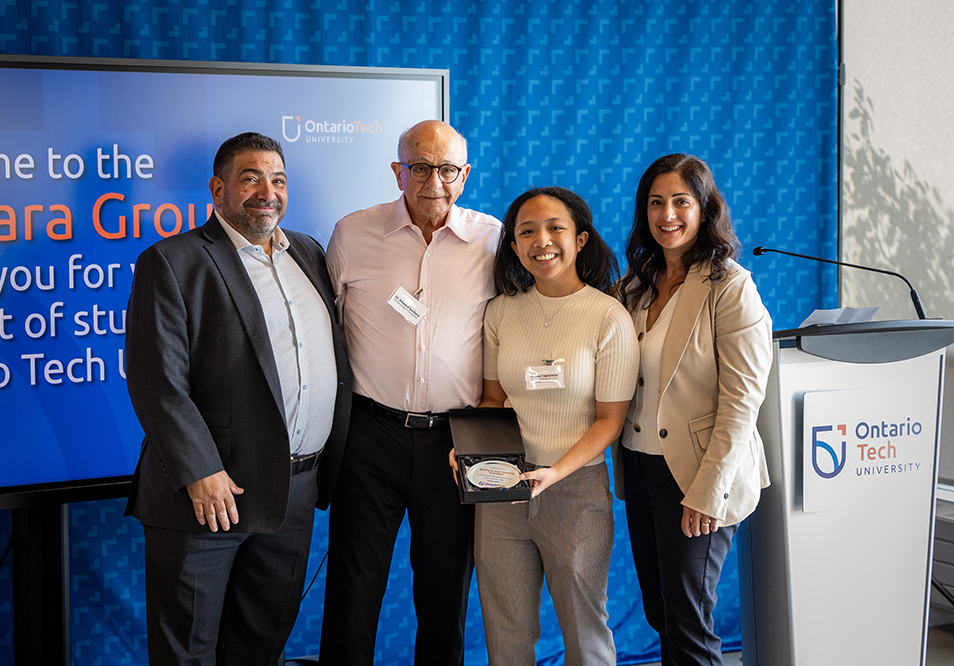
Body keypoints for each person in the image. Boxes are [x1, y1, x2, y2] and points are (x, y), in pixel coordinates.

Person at [124, 132, 351, 665]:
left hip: (294, 491)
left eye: (278, 179)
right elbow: (156, 381)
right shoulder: (173, 260)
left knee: (260, 645)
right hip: (209, 495)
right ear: (217, 187)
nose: (266, 191)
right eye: (251, 178)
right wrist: (199, 471)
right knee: (189, 652)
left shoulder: (311, 253)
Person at [318, 119, 501, 666]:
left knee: (446, 591)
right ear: (398, 171)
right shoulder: (353, 233)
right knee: (353, 585)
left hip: (457, 438)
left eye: (446, 168)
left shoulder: (494, 240)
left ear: (464, 175)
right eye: (419, 167)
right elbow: (324, 325)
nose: (433, 181)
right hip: (369, 436)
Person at [464, 186, 639, 664]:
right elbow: (495, 398)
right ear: (515, 246)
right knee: (506, 629)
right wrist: (469, 450)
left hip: (576, 489)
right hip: (502, 488)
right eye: (527, 231)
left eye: (555, 228)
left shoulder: (608, 316)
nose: (542, 240)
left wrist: (556, 473)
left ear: (580, 239)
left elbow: (610, 422)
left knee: (585, 630)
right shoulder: (501, 311)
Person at [615, 153, 772, 665]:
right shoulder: (635, 286)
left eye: (681, 202)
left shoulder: (730, 286)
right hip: (640, 467)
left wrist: (708, 492)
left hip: (700, 473)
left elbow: (742, 401)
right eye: (655, 203)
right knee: (663, 613)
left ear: (704, 208)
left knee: (688, 624)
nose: (668, 215)